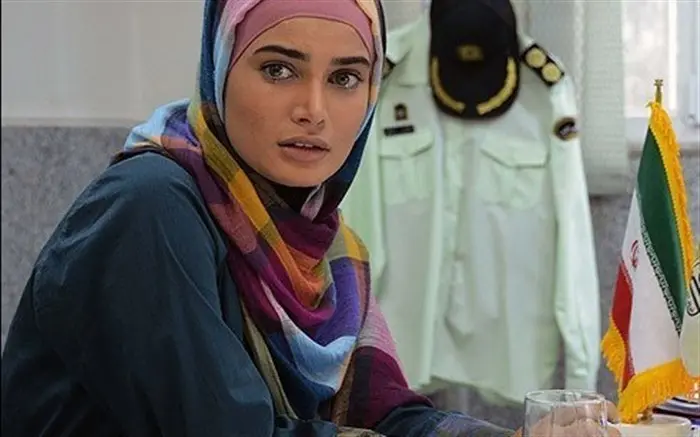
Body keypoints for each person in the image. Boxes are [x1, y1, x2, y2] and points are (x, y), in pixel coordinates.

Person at [1, 0, 621, 436]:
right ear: (220, 68)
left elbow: (385, 415)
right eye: (279, 69)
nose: (314, 110)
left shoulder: (325, 242)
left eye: (346, 77)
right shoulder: (149, 208)